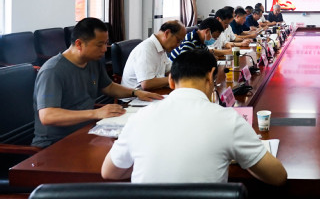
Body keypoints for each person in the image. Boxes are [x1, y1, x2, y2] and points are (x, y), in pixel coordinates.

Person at [101, 50, 287, 185]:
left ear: (171, 80)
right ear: (211, 76)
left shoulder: (140, 117)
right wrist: (243, 157)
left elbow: (109, 172)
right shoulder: (228, 120)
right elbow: (278, 177)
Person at [32, 18, 162, 148]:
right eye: (100, 45)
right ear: (79, 44)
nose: (105, 49)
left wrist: (136, 92)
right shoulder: (53, 71)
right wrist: (95, 113)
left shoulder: (92, 61)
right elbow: (48, 116)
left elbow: (109, 87)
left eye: (106, 43)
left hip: (87, 131)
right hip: (55, 143)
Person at [121, 20, 186, 90]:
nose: (178, 45)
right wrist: (174, 78)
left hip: (151, 92)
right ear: (167, 33)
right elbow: (147, 83)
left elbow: (170, 70)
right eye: (178, 40)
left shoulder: (161, 48)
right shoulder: (146, 49)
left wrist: (185, 73)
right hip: (134, 95)